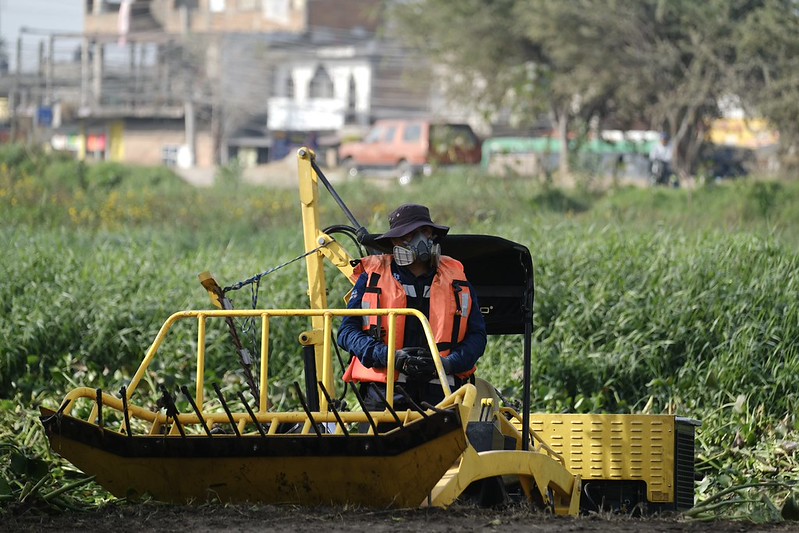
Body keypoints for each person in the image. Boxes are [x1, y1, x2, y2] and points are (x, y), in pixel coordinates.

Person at [337, 203, 487, 412]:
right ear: (394, 241)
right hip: (385, 393)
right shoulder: (372, 277)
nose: (419, 240)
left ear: (433, 235)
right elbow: (346, 333)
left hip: (443, 393)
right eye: (408, 234)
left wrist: (448, 364)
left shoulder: (456, 278)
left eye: (424, 231)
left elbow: (477, 336)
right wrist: (390, 357)